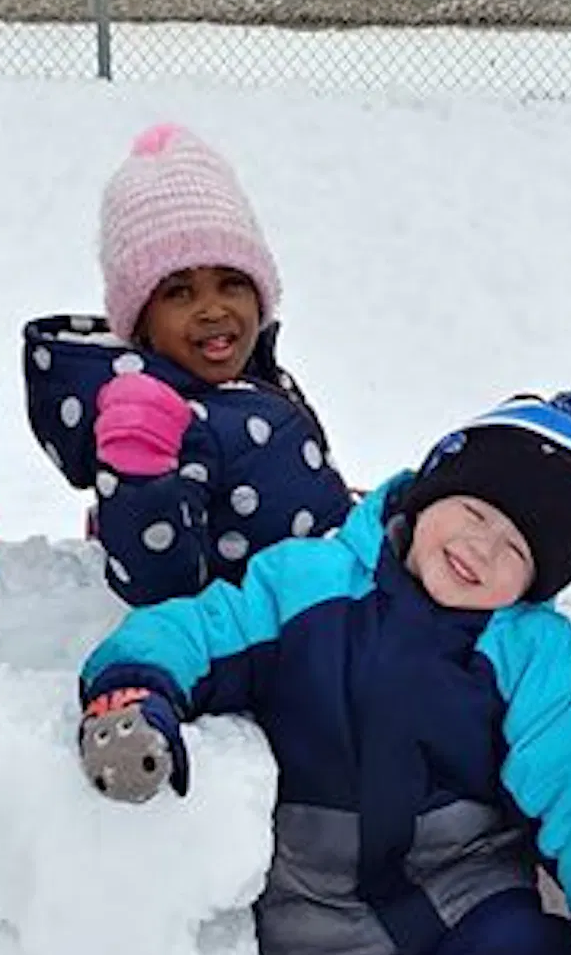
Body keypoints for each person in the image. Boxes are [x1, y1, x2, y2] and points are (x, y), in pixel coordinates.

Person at [74, 390, 571, 955]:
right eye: (474, 512)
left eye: (516, 550)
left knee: (519, 953)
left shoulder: (526, 649)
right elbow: (204, 629)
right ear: (426, 494)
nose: (481, 549)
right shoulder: (308, 581)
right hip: (317, 903)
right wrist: (137, 686)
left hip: (462, 887)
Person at [23, 122, 348, 605]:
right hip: (271, 627)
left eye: (232, 283)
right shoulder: (170, 422)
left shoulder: (251, 378)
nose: (212, 309)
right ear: (143, 323)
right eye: (179, 293)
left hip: (325, 591)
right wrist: (140, 478)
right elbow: (159, 584)